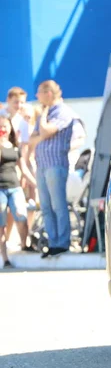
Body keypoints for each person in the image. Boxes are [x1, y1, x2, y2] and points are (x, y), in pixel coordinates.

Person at [29, 80, 76, 258]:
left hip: (55, 164)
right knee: (46, 207)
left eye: (40, 92)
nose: (37, 96)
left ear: (49, 93)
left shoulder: (63, 111)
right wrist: (41, 131)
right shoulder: (44, 114)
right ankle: (53, 241)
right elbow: (33, 138)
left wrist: (44, 115)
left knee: (58, 205)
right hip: (42, 164)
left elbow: (46, 131)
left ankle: (62, 242)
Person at [0, 113, 36, 267]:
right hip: (0, 188)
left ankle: (24, 243)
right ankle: (5, 256)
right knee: (1, 224)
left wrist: (34, 183)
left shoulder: (15, 147)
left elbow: (23, 168)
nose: (3, 129)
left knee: (21, 215)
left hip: (14, 186)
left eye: (5, 126)